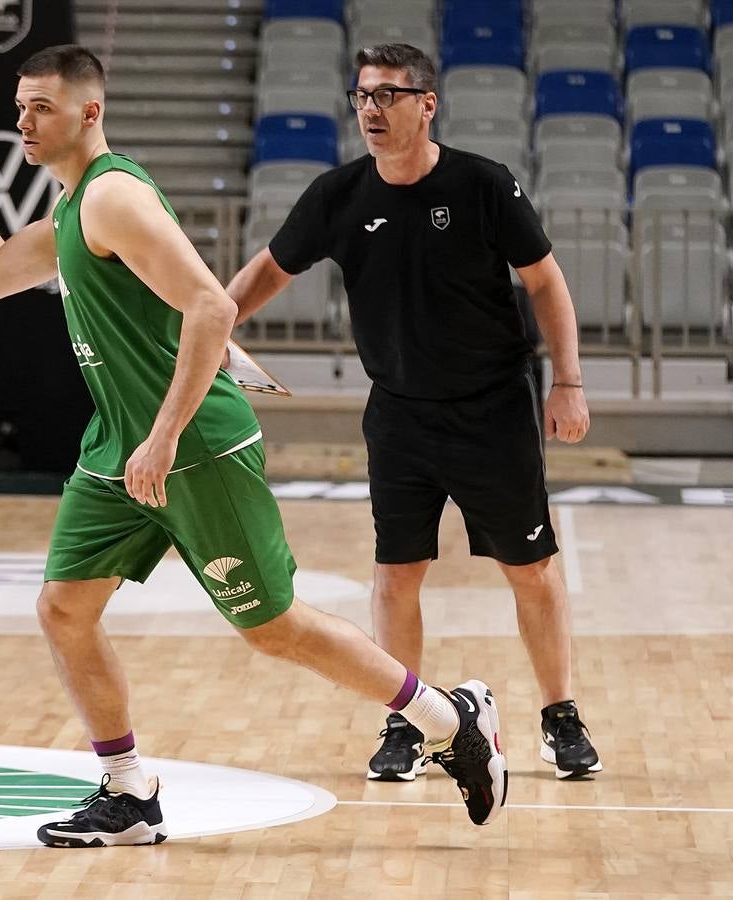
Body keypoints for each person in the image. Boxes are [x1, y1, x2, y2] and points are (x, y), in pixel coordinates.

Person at [0, 44, 508, 847]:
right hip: (118, 448)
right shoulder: (70, 207)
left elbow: (212, 308)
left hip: (192, 444)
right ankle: (128, 791)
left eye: (42, 108)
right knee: (64, 609)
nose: (24, 121)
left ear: (89, 113)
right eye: (20, 106)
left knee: (274, 629)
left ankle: (449, 716)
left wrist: (164, 437)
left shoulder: (112, 200)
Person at [225, 43, 602, 782]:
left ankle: (561, 717)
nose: (371, 109)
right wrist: (213, 323)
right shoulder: (338, 196)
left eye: (388, 95)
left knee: (530, 569)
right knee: (398, 573)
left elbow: (546, 283)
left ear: (427, 104)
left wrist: (569, 382)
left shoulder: (483, 185)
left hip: (494, 408)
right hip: (398, 413)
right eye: (362, 96)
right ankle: (407, 719)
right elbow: (269, 269)